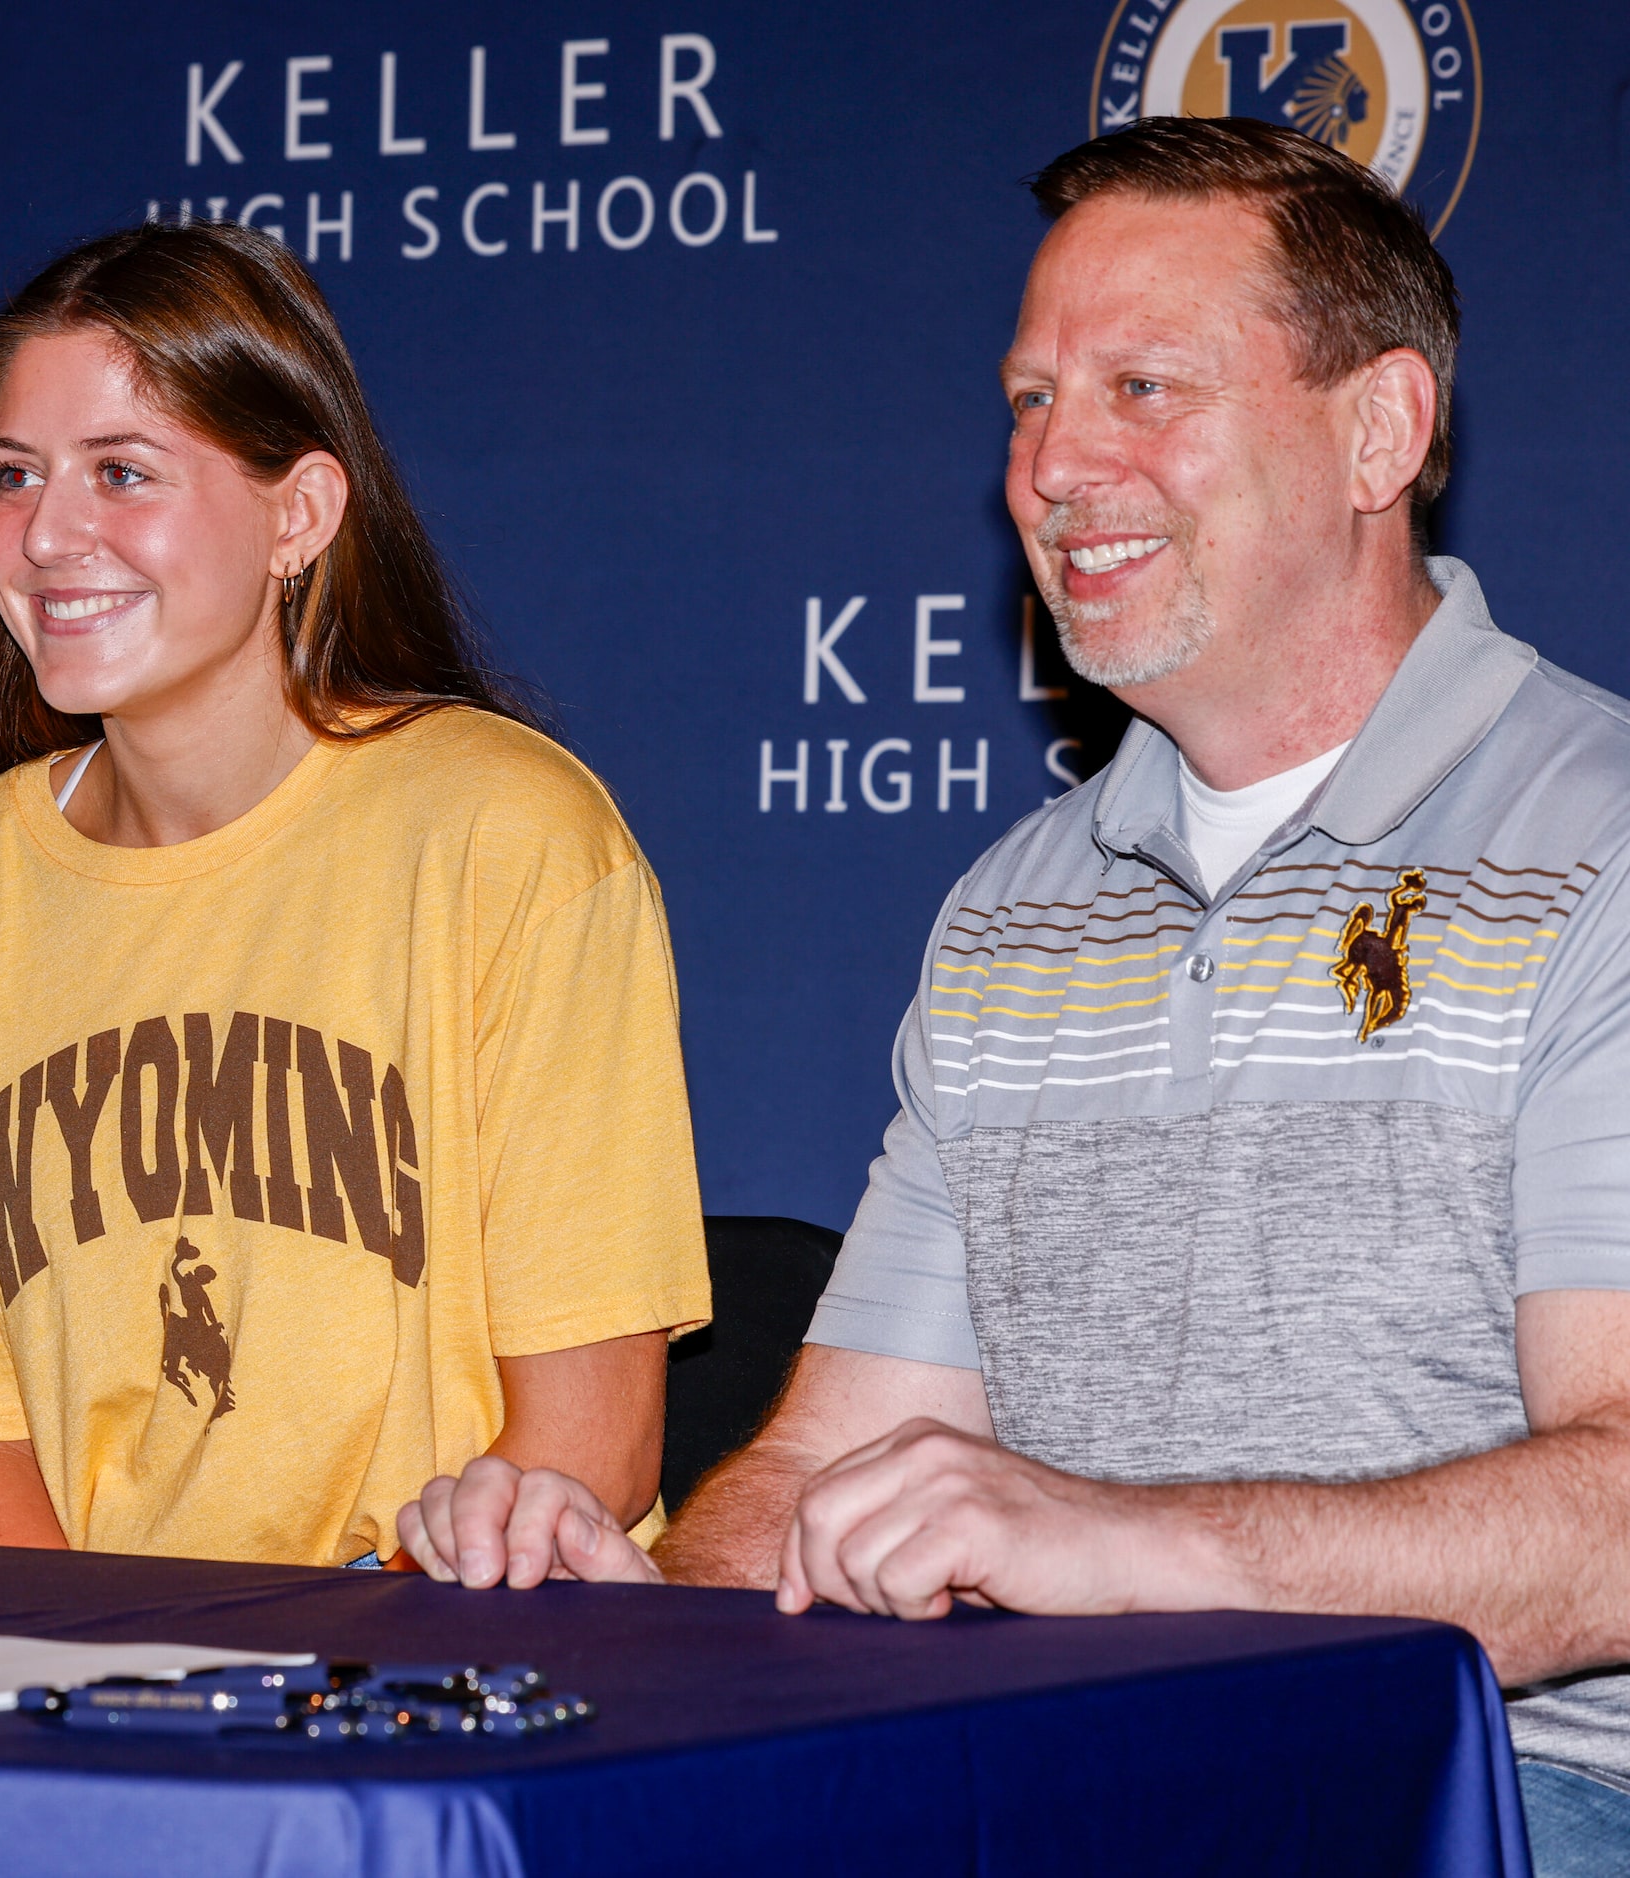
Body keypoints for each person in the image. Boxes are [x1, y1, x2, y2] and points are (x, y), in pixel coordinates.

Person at [397, 116, 1630, 1863]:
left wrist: (1131, 1550)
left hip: (1522, 1792)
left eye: (1144, 387)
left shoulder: (1602, 846)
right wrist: (649, 1609)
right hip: (1063, 1772)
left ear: (1380, 432)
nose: (1053, 466)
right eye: (1031, 401)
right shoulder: (1015, 912)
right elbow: (836, 1455)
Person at [0, 222, 708, 1567]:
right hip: (107, 1701)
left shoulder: (509, 835)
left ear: (297, 513)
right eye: (17, 476)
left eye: (122, 471)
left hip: (441, 1670)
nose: (48, 534)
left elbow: (589, 1449)